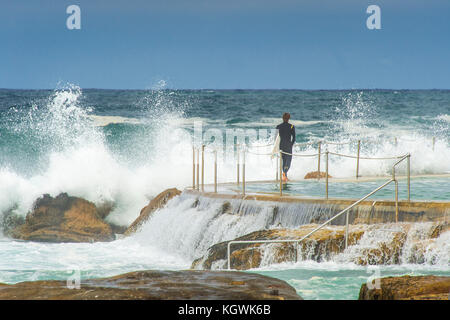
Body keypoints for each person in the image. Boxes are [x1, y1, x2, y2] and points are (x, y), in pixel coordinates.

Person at [276, 113, 295, 182]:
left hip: (281, 146)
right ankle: (284, 173)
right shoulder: (291, 126)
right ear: (289, 118)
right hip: (288, 146)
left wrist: (277, 147)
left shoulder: (278, 126)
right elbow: (294, 138)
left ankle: (285, 176)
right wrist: (291, 144)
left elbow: (276, 139)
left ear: (282, 118)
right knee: (288, 161)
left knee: (284, 161)